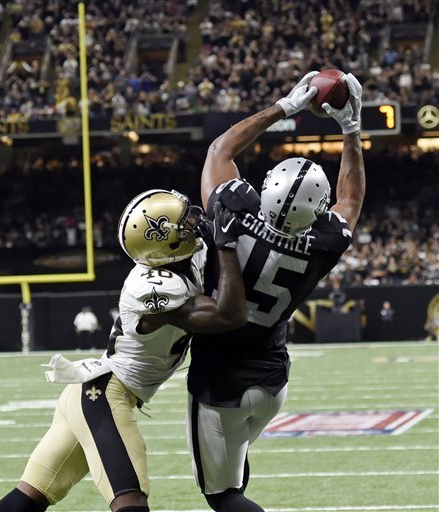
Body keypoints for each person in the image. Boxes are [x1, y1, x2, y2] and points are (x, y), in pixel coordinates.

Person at [0, 189, 246, 512]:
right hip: (105, 396)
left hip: (91, 391)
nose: (193, 224)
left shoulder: (178, 257)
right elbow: (229, 314)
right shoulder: (153, 288)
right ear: (163, 241)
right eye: (183, 224)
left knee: (27, 499)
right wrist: (226, 245)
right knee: (130, 503)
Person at [186, 71, 365, 512]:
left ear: (265, 188)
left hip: (220, 382)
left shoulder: (235, 208)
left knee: (222, 496)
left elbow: (220, 149)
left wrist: (285, 107)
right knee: (234, 473)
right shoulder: (325, 242)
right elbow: (352, 199)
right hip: (272, 382)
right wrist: (351, 128)